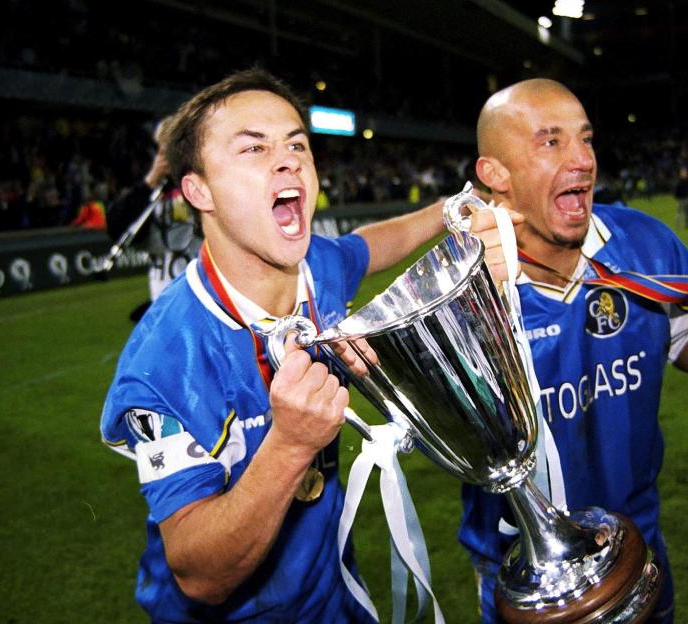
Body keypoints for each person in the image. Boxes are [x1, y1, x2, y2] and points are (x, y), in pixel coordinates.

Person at [100, 68, 457, 622]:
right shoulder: (162, 361)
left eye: (297, 144)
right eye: (253, 148)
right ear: (198, 190)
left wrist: (449, 210)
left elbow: (368, 246)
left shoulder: (317, 267)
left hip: (333, 597)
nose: (289, 159)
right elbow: (199, 573)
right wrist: (291, 445)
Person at [460, 79, 688, 624]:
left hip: (637, 548)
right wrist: (480, 307)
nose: (582, 159)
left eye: (586, 139)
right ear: (495, 175)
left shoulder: (644, 244)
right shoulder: (458, 293)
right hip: (528, 577)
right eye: (551, 142)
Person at [106, 116, 204, 322]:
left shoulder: (205, 185)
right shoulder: (150, 192)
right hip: (164, 296)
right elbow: (117, 228)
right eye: (162, 150)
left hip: (205, 293)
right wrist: (150, 181)